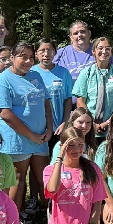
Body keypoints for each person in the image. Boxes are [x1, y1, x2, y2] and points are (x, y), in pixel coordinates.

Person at [0, 42, 53, 224]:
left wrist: (49, 128)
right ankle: (13, 222)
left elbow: (46, 102)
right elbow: (5, 113)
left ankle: (54, 221)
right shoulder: (3, 80)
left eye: (30, 57)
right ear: (12, 58)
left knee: (45, 179)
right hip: (17, 140)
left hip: (40, 138)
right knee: (17, 182)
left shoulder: (36, 75)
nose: (27, 61)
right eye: (23, 56)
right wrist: (30, 135)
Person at [43, 127, 113, 224]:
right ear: (62, 146)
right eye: (71, 145)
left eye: (80, 145)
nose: (76, 150)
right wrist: (59, 158)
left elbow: (97, 204)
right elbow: (52, 190)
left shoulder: (92, 168)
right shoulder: (50, 170)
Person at [32, 39, 74, 211]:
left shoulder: (63, 73)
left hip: (58, 128)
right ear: (36, 54)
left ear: (55, 52)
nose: (46, 54)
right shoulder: (31, 72)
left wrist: (65, 122)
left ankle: (58, 197)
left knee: (58, 163)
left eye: (49, 50)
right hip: (38, 128)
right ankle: (35, 198)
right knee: (37, 166)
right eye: (41, 50)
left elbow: (67, 99)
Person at [72, 36, 113, 136]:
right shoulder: (86, 73)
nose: (104, 51)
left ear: (111, 52)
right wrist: (91, 123)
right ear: (94, 51)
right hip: (88, 127)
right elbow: (80, 101)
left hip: (111, 125)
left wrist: (109, 122)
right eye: (100, 48)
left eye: (108, 48)